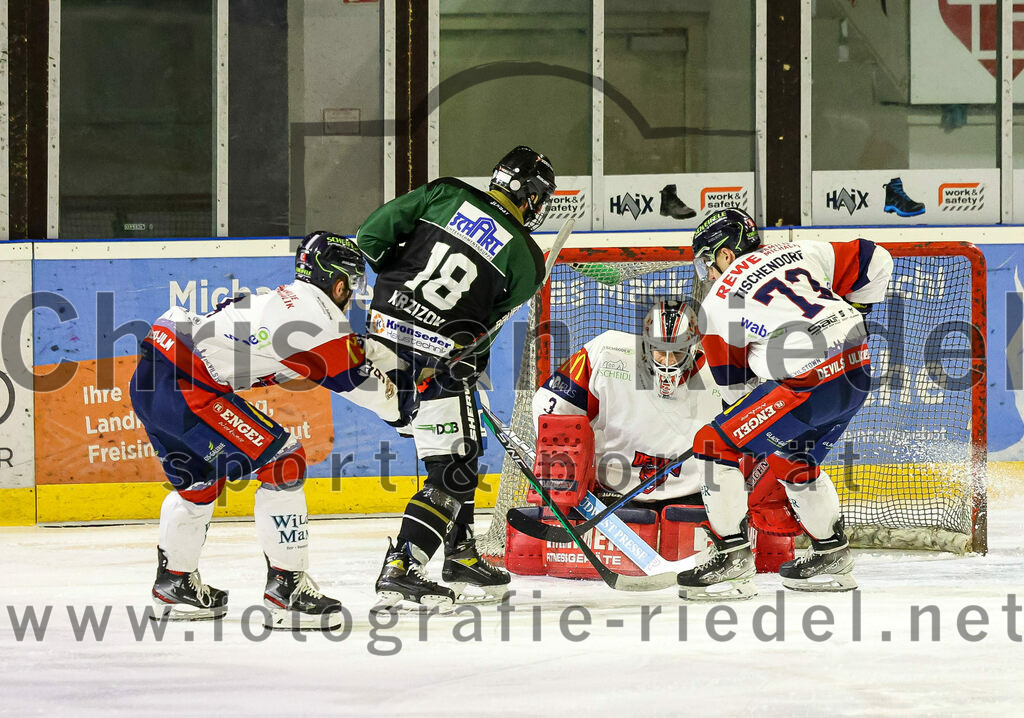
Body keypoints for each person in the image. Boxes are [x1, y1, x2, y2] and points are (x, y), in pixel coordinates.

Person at [129, 231, 412, 628]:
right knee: (286, 461)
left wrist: (381, 355)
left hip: (154, 373)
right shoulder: (317, 315)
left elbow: (340, 358)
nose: (352, 297)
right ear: (339, 282)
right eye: (353, 287)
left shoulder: (286, 299)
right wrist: (407, 417)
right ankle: (287, 592)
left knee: (198, 484)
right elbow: (360, 384)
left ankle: (174, 586)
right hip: (187, 383)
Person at [357, 145, 556, 610]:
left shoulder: (444, 194)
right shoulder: (527, 258)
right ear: (529, 196)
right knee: (458, 467)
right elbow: (483, 329)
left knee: (448, 458)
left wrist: (400, 285)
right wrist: (464, 357)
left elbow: (369, 236)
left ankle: (461, 553)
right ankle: (404, 566)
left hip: (378, 347)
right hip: (437, 361)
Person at [677, 207, 893, 600]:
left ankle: (731, 559)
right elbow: (876, 258)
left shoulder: (718, 303)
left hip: (809, 383)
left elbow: (736, 396)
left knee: (712, 444)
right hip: (858, 368)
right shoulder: (799, 251)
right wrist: (858, 313)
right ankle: (832, 555)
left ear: (726, 254)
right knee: (792, 458)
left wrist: (730, 466)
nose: (708, 274)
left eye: (708, 263)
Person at [527, 299, 798, 574]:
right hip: (612, 491)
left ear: (694, 347)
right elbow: (549, 407)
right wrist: (566, 467)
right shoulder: (606, 352)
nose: (667, 362)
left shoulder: (723, 372)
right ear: (645, 344)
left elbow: (764, 428)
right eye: (659, 351)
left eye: (677, 353)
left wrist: (755, 487)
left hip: (695, 495)